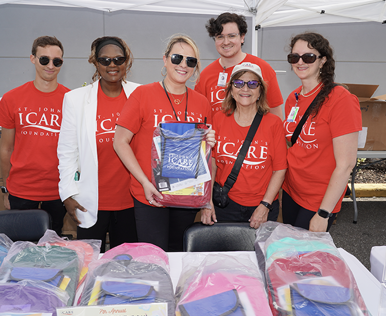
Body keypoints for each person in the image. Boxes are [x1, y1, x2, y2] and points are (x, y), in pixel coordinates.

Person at [114, 34, 214, 252]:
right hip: (151, 195)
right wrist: (144, 182)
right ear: (165, 59)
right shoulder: (143, 94)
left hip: (187, 196)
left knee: (179, 254)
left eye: (191, 61)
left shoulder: (202, 102)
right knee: (154, 258)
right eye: (177, 58)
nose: (183, 65)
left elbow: (207, 156)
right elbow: (120, 141)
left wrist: (208, 198)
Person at [57, 36, 140, 252]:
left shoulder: (141, 95)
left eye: (118, 59)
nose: (112, 65)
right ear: (95, 63)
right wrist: (67, 194)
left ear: (127, 61)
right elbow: (67, 152)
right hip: (90, 202)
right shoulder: (75, 99)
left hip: (131, 202)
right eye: (105, 60)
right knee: (88, 265)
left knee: (125, 266)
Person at [282, 32, 361, 232]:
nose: (300, 62)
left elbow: (346, 164)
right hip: (291, 190)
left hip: (318, 199)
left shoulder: (340, 99)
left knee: (306, 258)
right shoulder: (294, 98)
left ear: (322, 61)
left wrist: (324, 213)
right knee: (289, 252)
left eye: (308, 57)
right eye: (294, 57)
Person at [0, 36, 69, 236]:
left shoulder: (71, 100)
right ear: (32, 59)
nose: (50, 65)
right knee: (21, 247)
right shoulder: (12, 98)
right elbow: (6, 148)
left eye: (57, 61)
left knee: (54, 245)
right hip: (21, 190)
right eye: (44, 59)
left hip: (59, 190)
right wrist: (6, 189)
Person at [201, 62, 287, 229]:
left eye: (253, 83)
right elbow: (212, 164)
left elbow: (279, 169)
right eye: (239, 83)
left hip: (262, 205)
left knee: (259, 254)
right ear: (231, 90)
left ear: (260, 91)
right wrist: (207, 201)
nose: (245, 89)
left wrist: (265, 206)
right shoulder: (218, 119)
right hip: (225, 203)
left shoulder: (273, 123)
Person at [195, 12, 284, 119]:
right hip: (217, 135)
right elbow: (200, 116)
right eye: (220, 37)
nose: (226, 42)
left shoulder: (262, 68)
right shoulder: (205, 75)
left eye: (231, 36)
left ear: (242, 37)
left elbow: (276, 115)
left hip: (254, 135)